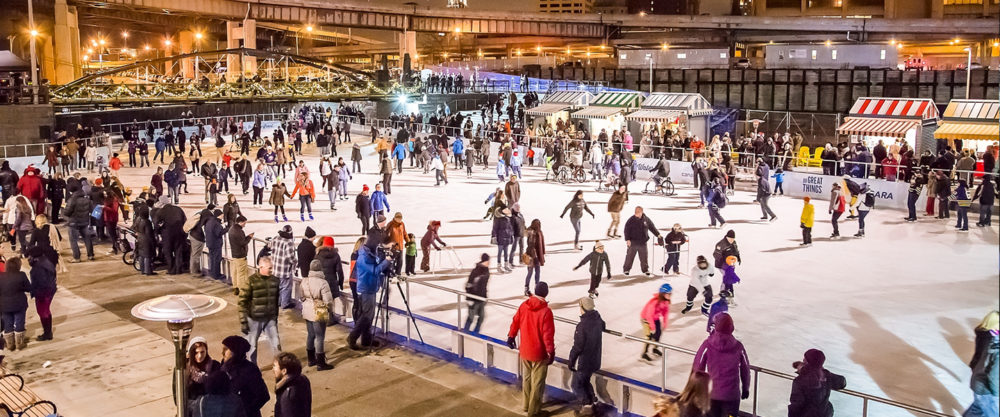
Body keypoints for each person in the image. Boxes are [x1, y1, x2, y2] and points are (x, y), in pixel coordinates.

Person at [506, 281, 555, 417]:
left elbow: (515, 321)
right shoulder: (546, 311)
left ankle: (526, 405)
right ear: (546, 293)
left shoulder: (524, 305)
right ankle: (534, 412)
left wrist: (511, 336)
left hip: (525, 349)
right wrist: (551, 351)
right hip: (539, 353)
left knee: (526, 378)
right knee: (537, 382)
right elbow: (547, 335)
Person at [692, 312, 751, 417]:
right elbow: (745, 369)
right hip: (731, 396)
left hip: (712, 394)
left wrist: (696, 388)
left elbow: (698, 365)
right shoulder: (738, 347)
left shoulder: (707, 344)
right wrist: (746, 388)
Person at [347, 240, 392, 350]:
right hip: (366, 289)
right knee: (366, 315)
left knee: (369, 315)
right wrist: (386, 261)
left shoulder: (368, 255)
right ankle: (352, 337)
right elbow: (375, 270)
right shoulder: (363, 258)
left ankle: (366, 339)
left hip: (370, 287)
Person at [239, 256, 281, 365]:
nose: (271, 270)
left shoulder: (275, 281)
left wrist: (275, 317)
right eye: (269, 268)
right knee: (252, 346)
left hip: (270, 318)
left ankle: (279, 366)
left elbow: (276, 301)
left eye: (272, 268)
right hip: (254, 319)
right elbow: (242, 302)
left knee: (276, 343)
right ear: (261, 267)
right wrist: (243, 321)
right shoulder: (251, 281)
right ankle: (253, 368)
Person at [568, 297, 605, 415]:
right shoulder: (597, 319)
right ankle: (592, 402)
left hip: (585, 361)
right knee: (585, 381)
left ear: (582, 307)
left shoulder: (582, 326)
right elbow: (603, 325)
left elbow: (578, 347)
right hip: (595, 359)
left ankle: (587, 408)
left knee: (576, 385)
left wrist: (571, 361)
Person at [788, 349, 847, 417]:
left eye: (805, 359)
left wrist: (804, 371)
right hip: (825, 414)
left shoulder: (800, 381)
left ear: (807, 362)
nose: (803, 360)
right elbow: (842, 383)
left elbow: (796, 405)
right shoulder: (826, 375)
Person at [220, 335, 269, 417]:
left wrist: (245, 411)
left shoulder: (250, 370)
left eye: (226, 349)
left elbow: (263, 396)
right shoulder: (223, 367)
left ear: (235, 351)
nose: (222, 352)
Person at [963, 310, 999, 417]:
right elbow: (994, 376)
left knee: (977, 408)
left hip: (978, 380)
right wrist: (996, 393)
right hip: (986, 387)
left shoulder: (990, 339)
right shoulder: (989, 339)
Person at [300, 259, 334, 371]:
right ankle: (320, 363)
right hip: (318, 311)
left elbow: (301, 296)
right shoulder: (323, 283)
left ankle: (310, 359)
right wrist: (329, 310)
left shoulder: (304, 281)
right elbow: (328, 301)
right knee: (320, 336)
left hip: (307, 310)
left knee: (310, 334)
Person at [0, 258, 31, 351]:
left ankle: (10, 344)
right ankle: (19, 343)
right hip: (19, 303)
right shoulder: (21, 275)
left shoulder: (0, 276)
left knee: (7, 323)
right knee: (19, 321)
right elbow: (28, 288)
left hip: (4, 305)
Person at [27, 247, 57, 341]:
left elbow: (41, 283)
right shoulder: (46, 262)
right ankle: (48, 332)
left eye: (29, 256)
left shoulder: (38, 268)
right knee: (46, 311)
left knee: (43, 312)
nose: (28, 258)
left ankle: (47, 333)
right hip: (49, 290)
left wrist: (35, 292)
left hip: (43, 294)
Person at [622, 206, 661, 277]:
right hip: (633, 242)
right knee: (630, 257)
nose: (636, 213)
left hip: (643, 242)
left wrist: (658, 235)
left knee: (644, 257)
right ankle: (626, 269)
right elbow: (626, 230)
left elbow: (652, 227)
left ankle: (645, 270)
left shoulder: (646, 219)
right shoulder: (631, 220)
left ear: (641, 212)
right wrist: (627, 240)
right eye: (635, 212)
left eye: (638, 212)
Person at [61, 182, 94, 262]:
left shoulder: (72, 200)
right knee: (87, 238)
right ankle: (90, 255)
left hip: (74, 223)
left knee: (73, 240)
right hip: (85, 222)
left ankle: (77, 257)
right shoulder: (87, 199)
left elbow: (66, 212)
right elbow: (91, 210)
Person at [272, 352, 312, 417]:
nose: (273, 369)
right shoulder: (303, 379)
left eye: (275, 366)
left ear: (284, 371)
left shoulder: (287, 396)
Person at [640, 283, 672, 361]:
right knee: (649, 336)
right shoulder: (655, 302)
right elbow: (649, 315)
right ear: (663, 293)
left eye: (670, 293)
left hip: (655, 318)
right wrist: (652, 327)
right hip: (646, 319)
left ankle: (655, 348)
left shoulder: (666, 301)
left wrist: (665, 322)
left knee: (658, 333)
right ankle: (644, 353)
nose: (670, 295)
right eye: (668, 293)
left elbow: (665, 312)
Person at [185, 336, 221, 402]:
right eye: (196, 352)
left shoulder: (215, 366)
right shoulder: (184, 368)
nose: (199, 356)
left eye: (202, 352)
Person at [270, 225, 298, 309]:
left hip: (275, 268)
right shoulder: (288, 242)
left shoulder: (275, 238)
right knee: (286, 287)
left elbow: (271, 248)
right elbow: (290, 258)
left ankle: (278, 302)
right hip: (284, 270)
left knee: (278, 287)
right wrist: (295, 261)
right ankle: (285, 304)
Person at [463, 253, 491, 334]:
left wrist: (485, 297)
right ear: (484, 261)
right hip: (473, 299)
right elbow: (468, 285)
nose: (489, 263)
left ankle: (476, 333)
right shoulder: (476, 271)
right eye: (488, 261)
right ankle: (465, 334)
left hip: (482, 298)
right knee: (471, 318)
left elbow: (484, 285)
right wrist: (469, 299)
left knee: (481, 317)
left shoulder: (486, 271)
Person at [229, 216, 254, 295]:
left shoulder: (232, 229)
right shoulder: (239, 231)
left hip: (234, 254)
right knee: (242, 274)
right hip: (240, 255)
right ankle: (242, 290)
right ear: (241, 222)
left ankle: (235, 287)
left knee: (235, 272)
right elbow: (242, 243)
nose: (245, 225)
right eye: (244, 223)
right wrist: (249, 237)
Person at [523, 219, 545, 296]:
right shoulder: (531, 232)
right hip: (531, 256)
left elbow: (542, 244)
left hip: (537, 256)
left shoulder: (539, 232)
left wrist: (542, 255)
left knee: (538, 272)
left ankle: (537, 287)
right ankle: (526, 288)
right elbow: (530, 245)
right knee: (530, 273)